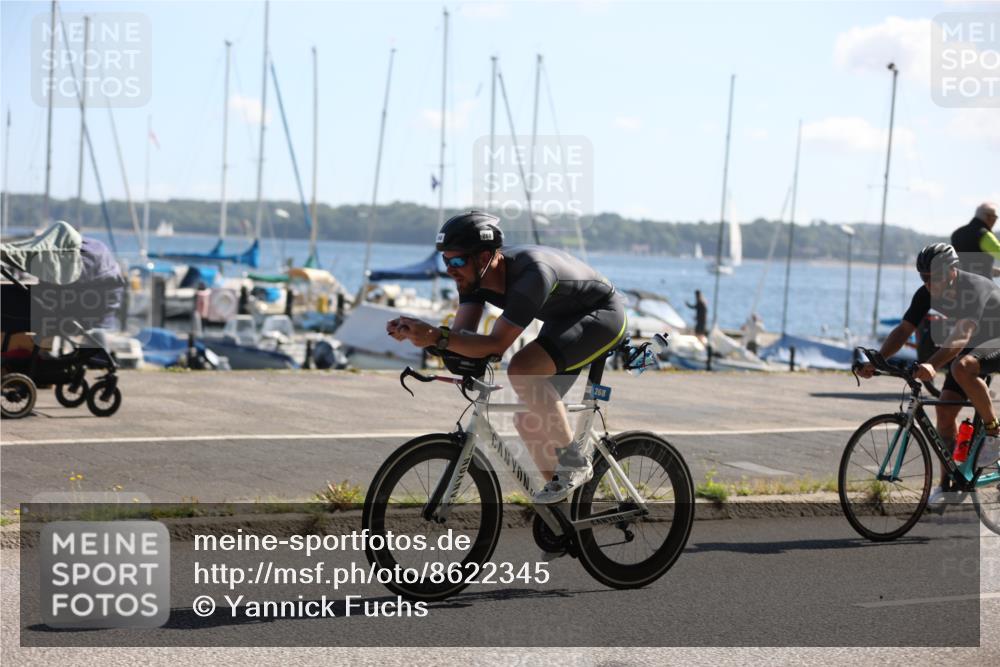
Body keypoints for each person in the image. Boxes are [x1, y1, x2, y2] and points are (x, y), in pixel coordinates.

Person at [386, 211, 627, 503]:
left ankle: (575, 464)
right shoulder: (473, 279)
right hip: (562, 320)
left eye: (458, 260)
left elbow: (495, 345)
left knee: (523, 368)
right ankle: (561, 510)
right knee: (528, 420)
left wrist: (438, 336)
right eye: (446, 261)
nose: (451, 269)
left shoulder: (531, 275)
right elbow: (462, 341)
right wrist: (422, 336)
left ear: (485, 257)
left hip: (601, 315)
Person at [857, 243, 1000, 499]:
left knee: (962, 366)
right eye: (924, 277)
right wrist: (877, 360)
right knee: (944, 413)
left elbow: (962, 335)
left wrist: (932, 364)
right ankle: (949, 486)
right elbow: (903, 330)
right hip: (975, 345)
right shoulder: (925, 293)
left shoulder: (973, 287)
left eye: (935, 277)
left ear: (952, 271)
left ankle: (993, 431)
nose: (929, 283)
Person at [950, 202, 1000, 278]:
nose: (996, 221)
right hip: (982, 286)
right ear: (988, 217)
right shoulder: (984, 235)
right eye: (995, 217)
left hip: (960, 284)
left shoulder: (957, 234)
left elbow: (964, 263)